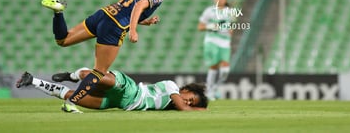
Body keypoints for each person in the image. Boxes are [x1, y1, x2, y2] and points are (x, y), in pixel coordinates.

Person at [40, 0, 172, 105]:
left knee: (63, 40)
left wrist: (146, 21)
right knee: (99, 72)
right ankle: (71, 104)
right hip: (114, 26)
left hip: (104, 14)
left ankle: (58, 12)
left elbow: (127, 10)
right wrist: (133, 30)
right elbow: (138, 6)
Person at [16, 68, 208, 112]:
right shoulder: (172, 87)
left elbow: (183, 107)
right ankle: (73, 75)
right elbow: (183, 107)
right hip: (131, 91)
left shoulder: (170, 105)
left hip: (117, 103)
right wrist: (202, 110)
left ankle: (32, 80)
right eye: (191, 98)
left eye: (193, 103)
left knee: (72, 96)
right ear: (186, 89)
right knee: (95, 76)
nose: (189, 102)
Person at [197, 0, 233, 100]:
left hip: (225, 42)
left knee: (225, 70)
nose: (219, 0)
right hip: (212, 40)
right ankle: (209, 91)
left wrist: (229, 30)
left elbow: (231, 27)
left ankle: (214, 88)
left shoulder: (230, 11)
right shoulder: (209, 11)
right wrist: (212, 27)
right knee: (213, 65)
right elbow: (200, 27)